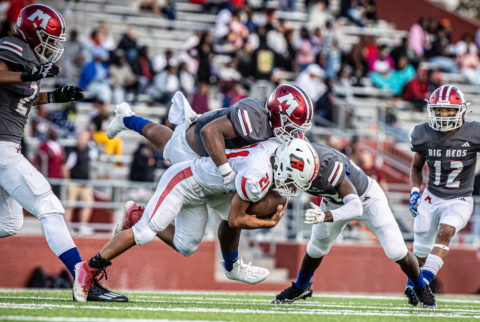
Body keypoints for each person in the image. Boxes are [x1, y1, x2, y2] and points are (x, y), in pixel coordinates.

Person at [105, 84, 314, 282]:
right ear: (277, 114)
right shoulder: (253, 115)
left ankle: (232, 266)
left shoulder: (278, 129)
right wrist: (227, 174)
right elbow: (210, 133)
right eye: (292, 126)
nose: (295, 133)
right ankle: (128, 119)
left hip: (221, 161)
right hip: (197, 150)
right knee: (168, 146)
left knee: (236, 208)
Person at [73, 138, 304, 302]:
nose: (291, 185)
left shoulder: (275, 149)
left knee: (186, 246)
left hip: (205, 190)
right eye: (292, 178)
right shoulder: (256, 177)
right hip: (184, 180)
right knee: (144, 233)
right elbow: (235, 220)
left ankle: (137, 215)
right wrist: (268, 222)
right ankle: (88, 269)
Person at [0, 4, 125, 301]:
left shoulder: (27, 56)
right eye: (49, 39)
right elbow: (10, 79)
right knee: (50, 207)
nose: (53, 47)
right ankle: (83, 280)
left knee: (9, 222)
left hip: (6, 146)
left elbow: (22, 98)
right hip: (2, 148)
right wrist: (27, 74)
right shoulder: (12, 46)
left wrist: (52, 97)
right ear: (33, 32)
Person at [269, 141, 436, 309]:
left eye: (292, 179)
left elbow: (355, 207)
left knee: (396, 250)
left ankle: (422, 287)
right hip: (334, 201)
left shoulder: (329, 167)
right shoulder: (294, 156)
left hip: (367, 199)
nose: (288, 183)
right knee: (316, 247)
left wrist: (325, 215)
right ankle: (301, 287)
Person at [408, 85, 478, 306]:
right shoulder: (423, 133)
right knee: (419, 252)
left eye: (449, 110)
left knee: (445, 231)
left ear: (461, 112)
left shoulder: (474, 132)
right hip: (431, 196)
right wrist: (414, 191)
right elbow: (416, 167)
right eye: (439, 110)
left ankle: (423, 285)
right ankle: (413, 286)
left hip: (460, 198)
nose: (444, 115)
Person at [64, 131, 98, 236]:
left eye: (85, 138)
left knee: (88, 204)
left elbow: (96, 157)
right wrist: (68, 181)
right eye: (82, 137)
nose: (83, 140)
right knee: (70, 205)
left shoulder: (89, 150)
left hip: (86, 183)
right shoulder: (73, 151)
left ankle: (83, 226)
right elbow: (65, 167)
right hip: (74, 182)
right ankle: (67, 227)